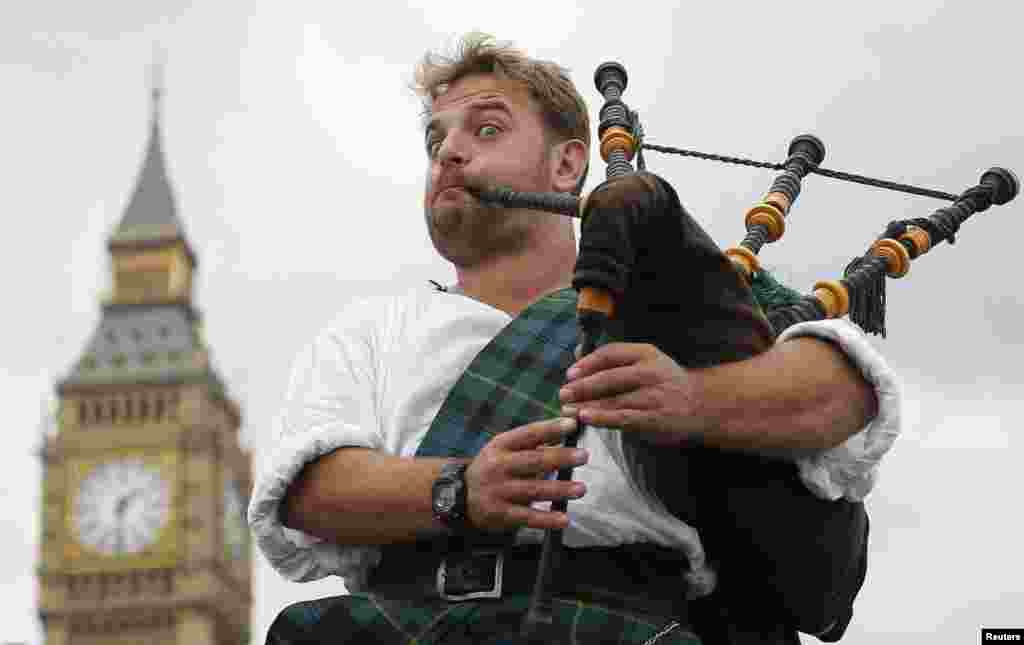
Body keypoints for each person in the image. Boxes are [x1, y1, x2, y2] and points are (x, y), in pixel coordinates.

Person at [249, 33, 900, 645]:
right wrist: (458, 489)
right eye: (434, 140)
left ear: (567, 165)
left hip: (624, 621)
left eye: (486, 128)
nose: (448, 152)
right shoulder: (370, 331)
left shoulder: (671, 301)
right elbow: (307, 491)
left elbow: (840, 392)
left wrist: (694, 399)